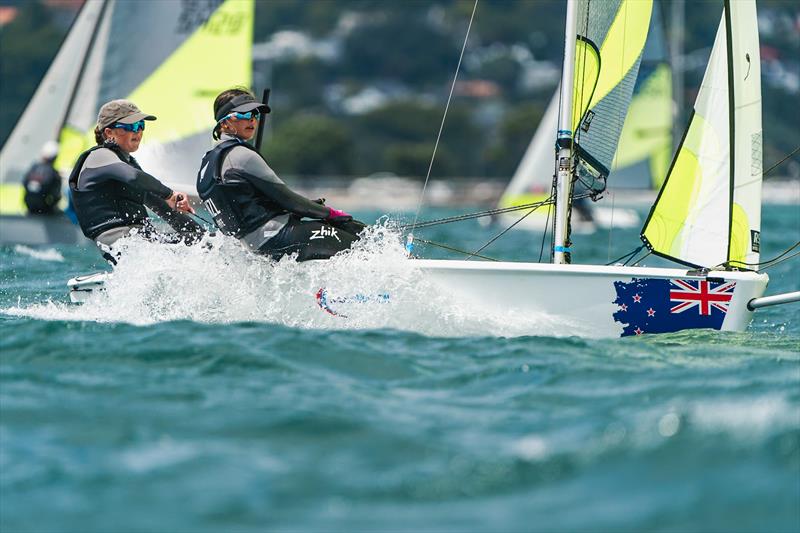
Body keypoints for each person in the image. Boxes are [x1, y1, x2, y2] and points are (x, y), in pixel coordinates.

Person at [197, 88, 366, 261]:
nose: (252, 120)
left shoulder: (208, 163)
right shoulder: (241, 156)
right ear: (224, 123)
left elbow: (247, 206)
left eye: (254, 115)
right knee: (361, 244)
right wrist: (331, 214)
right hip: (276, 236)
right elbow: (290, 201)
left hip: (253, 248)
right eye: (244, 115)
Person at [69, 99, 203, 264]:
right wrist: (170, 194)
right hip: (124, 244)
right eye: (130, 127)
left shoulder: (127, 163)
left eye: (141, 126)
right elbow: (134, 177)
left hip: (141, 240)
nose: (138, 132)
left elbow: (159, 205)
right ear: (109, 132)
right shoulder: (99, 156)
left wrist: (199, 235)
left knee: (198, 244)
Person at [22, 141, 62, 215]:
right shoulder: (54, 173)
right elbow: (56, 196)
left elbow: (24, 183)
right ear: (55, 157)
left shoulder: (33, 168)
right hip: (45, 210)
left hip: (29, 206)